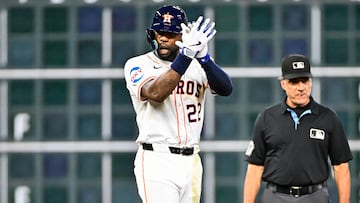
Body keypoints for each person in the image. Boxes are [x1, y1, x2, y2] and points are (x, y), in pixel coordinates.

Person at [124, 5, 232, 203]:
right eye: (160, 33)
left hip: (191, 159)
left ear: (183, 36)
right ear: (152, 35)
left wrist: (205, 59)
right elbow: (155, 93)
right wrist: (186, 56)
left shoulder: (196, 64)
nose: (164, 38)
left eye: (171, 34)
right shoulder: (138, 64)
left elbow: (226, 88)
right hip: (157, 158)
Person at [243, 54, 352, 203]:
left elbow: (341, 167)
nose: (301, 87)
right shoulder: (267, 118)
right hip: (275, 197)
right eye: (294, 82)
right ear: (283, 84)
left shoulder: (328, 118)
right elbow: (255, 168)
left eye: (305, 81)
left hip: (315, 197)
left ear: (311, 82)